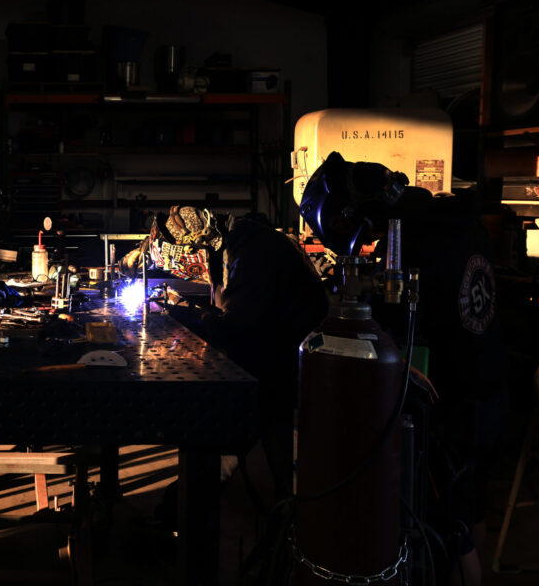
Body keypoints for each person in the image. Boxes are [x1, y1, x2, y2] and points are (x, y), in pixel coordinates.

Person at [301, 152, 507, 586]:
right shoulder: (457, 220)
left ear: (351, 214)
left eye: (340, 227)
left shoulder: (414, 241)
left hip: (451, 401)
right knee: (470, 512)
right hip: (490, 389)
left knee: (449, 528)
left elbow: (389, 327)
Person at [120, 206, 330, 496]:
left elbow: (235, 326)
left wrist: (182, 312)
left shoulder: (249, 253)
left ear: (196, 249)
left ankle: (203, 496)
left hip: (286, 354)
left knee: (242, 418)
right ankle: (278, 499)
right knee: (267, 427)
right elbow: (228, 307)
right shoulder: (233, 240)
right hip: (276, 343)